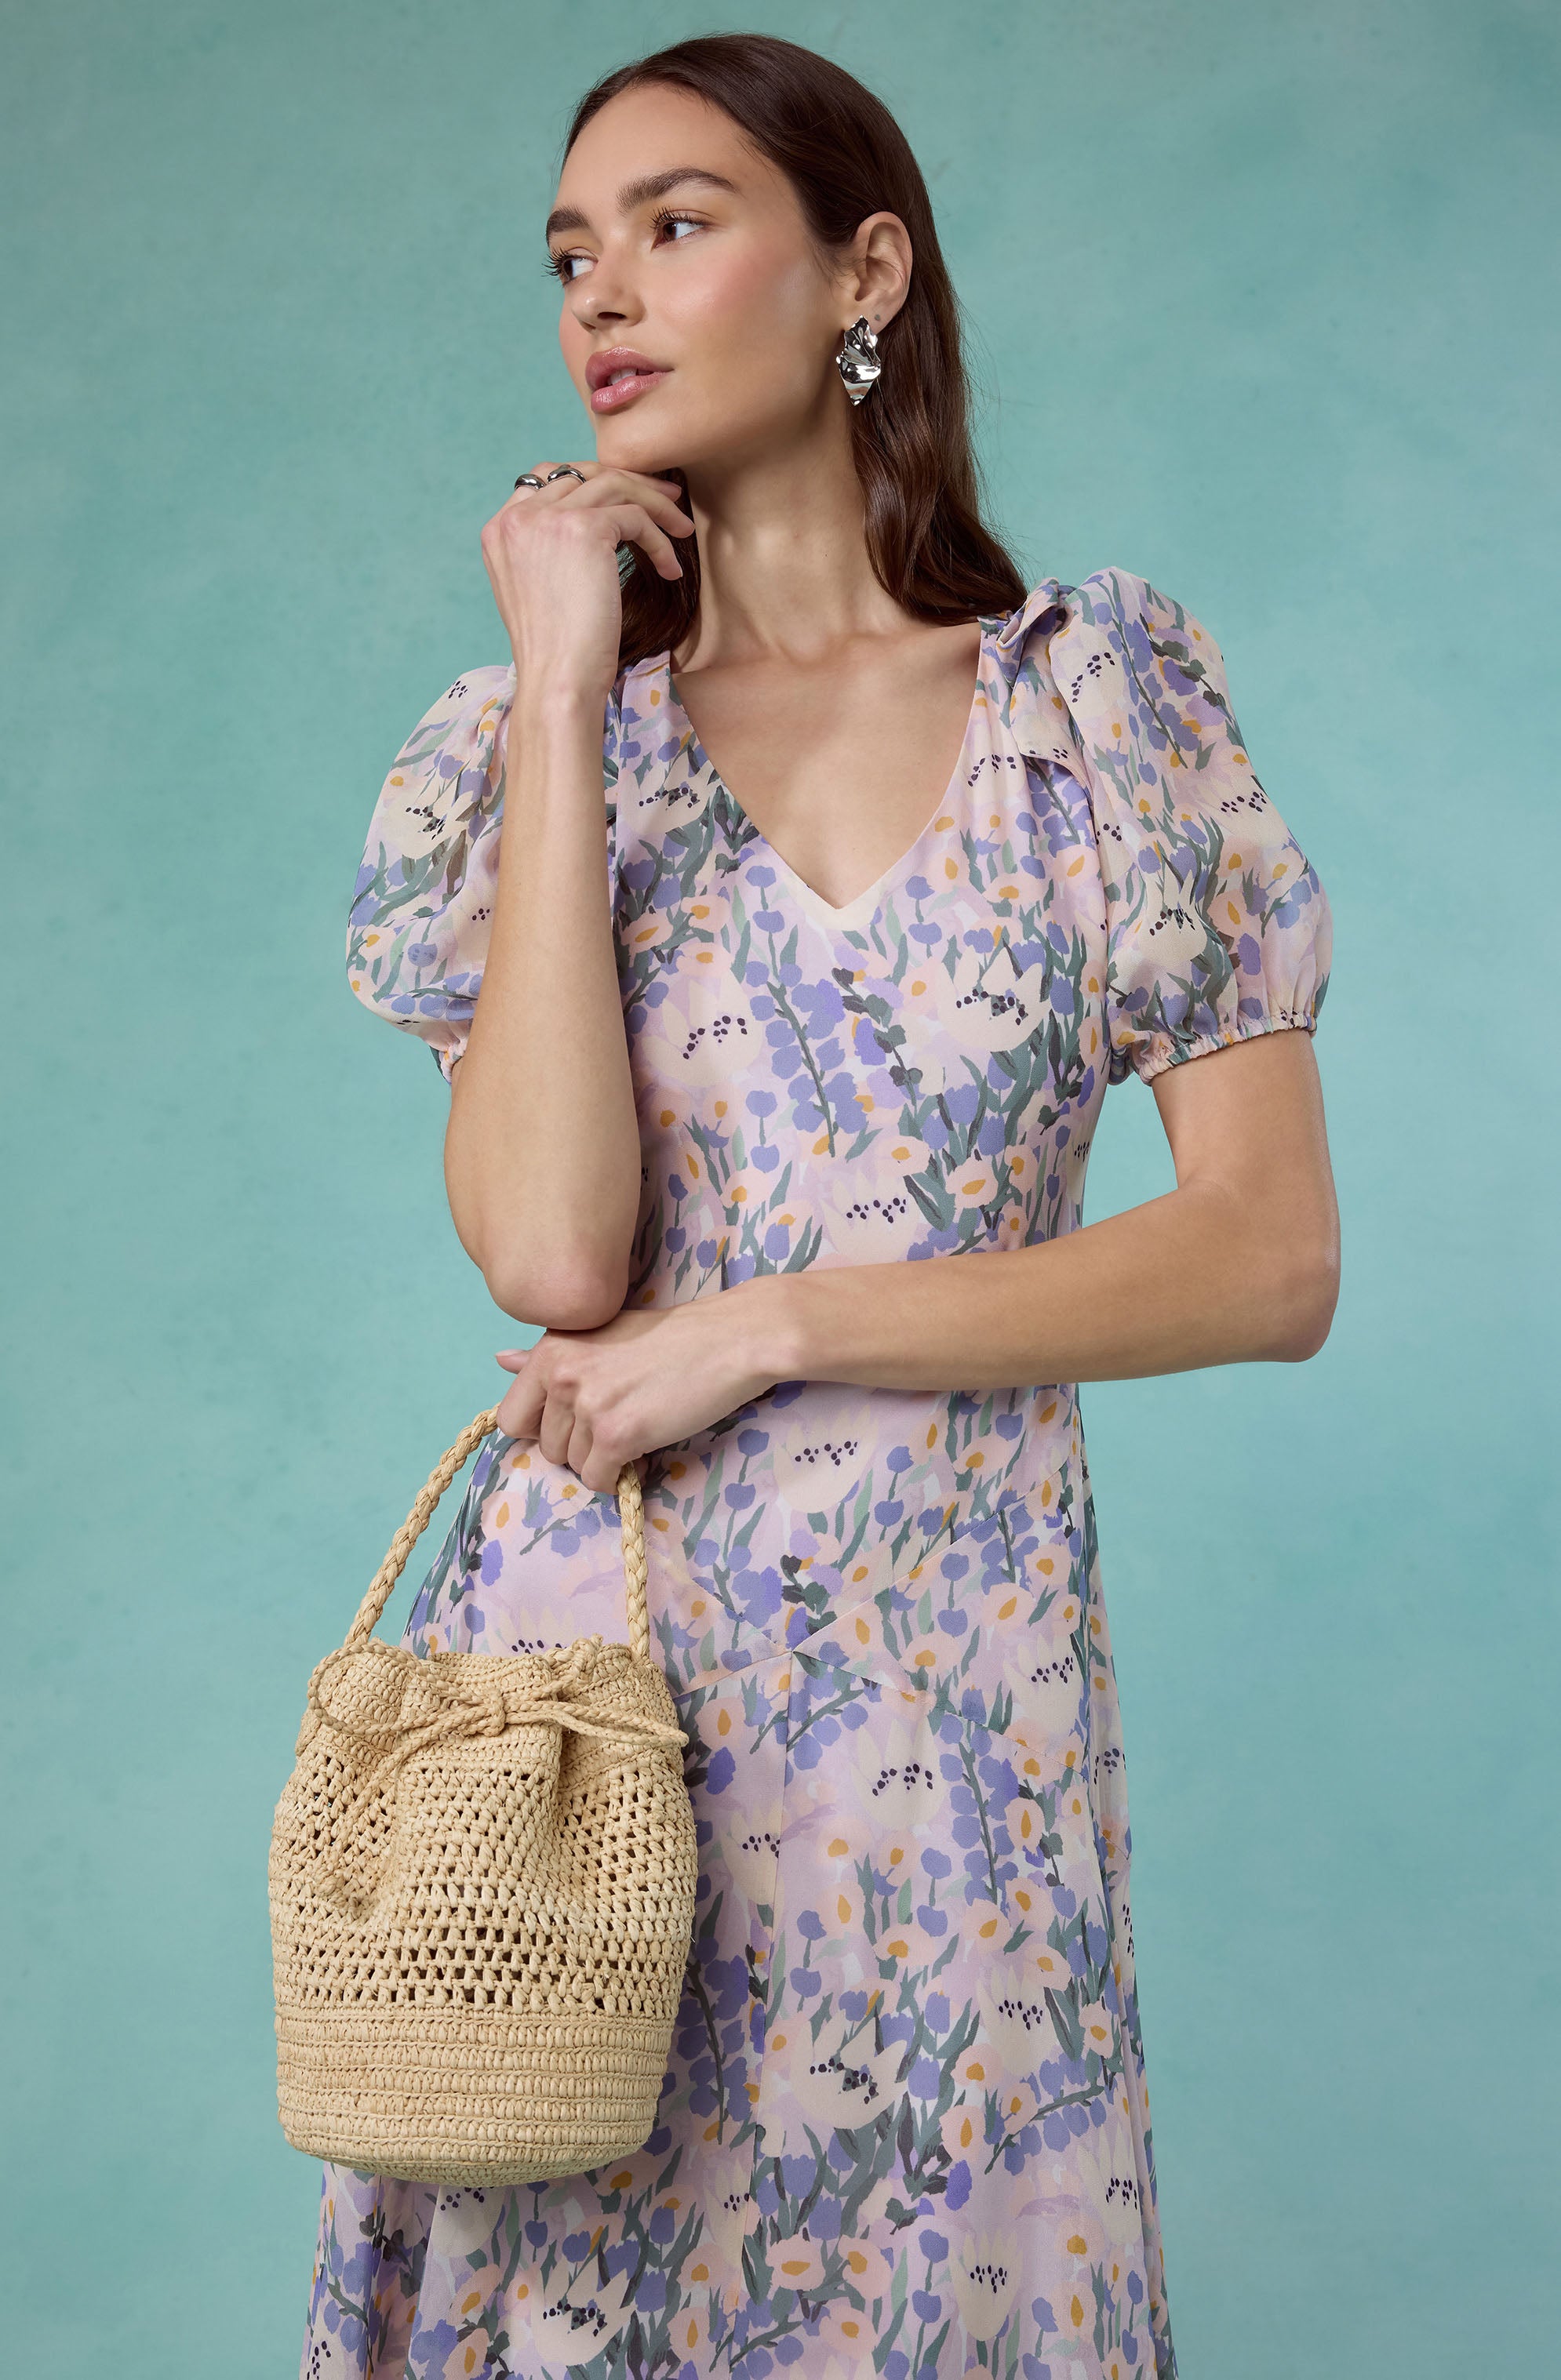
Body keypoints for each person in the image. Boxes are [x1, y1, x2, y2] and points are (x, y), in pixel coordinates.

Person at [312, 31, 1337, 2380]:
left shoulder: (1102, 710)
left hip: (951, 1716)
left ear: (863, 267)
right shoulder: (518, 757)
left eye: (678, 222)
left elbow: (1268, 1254)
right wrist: (569, 694)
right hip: (593, 1717)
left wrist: (775, 1320)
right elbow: (560, 1260)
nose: (607, 293)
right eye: (574, 251)